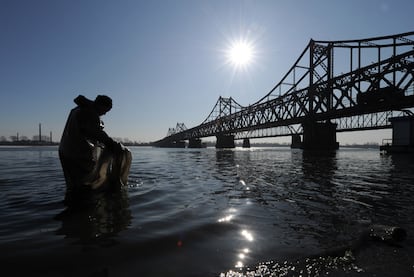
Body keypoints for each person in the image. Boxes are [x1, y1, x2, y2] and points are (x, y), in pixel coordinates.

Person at [59, 94, 122, 205]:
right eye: (105, 110)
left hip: (65, 151)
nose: (105, 113)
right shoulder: (89, 112)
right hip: (76, 154)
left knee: (73, 184)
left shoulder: (78, 109)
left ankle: (72, 205)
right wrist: (112, 144)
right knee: (84, 183)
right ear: (100, 105)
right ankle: (81, 210)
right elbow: (95, 132)